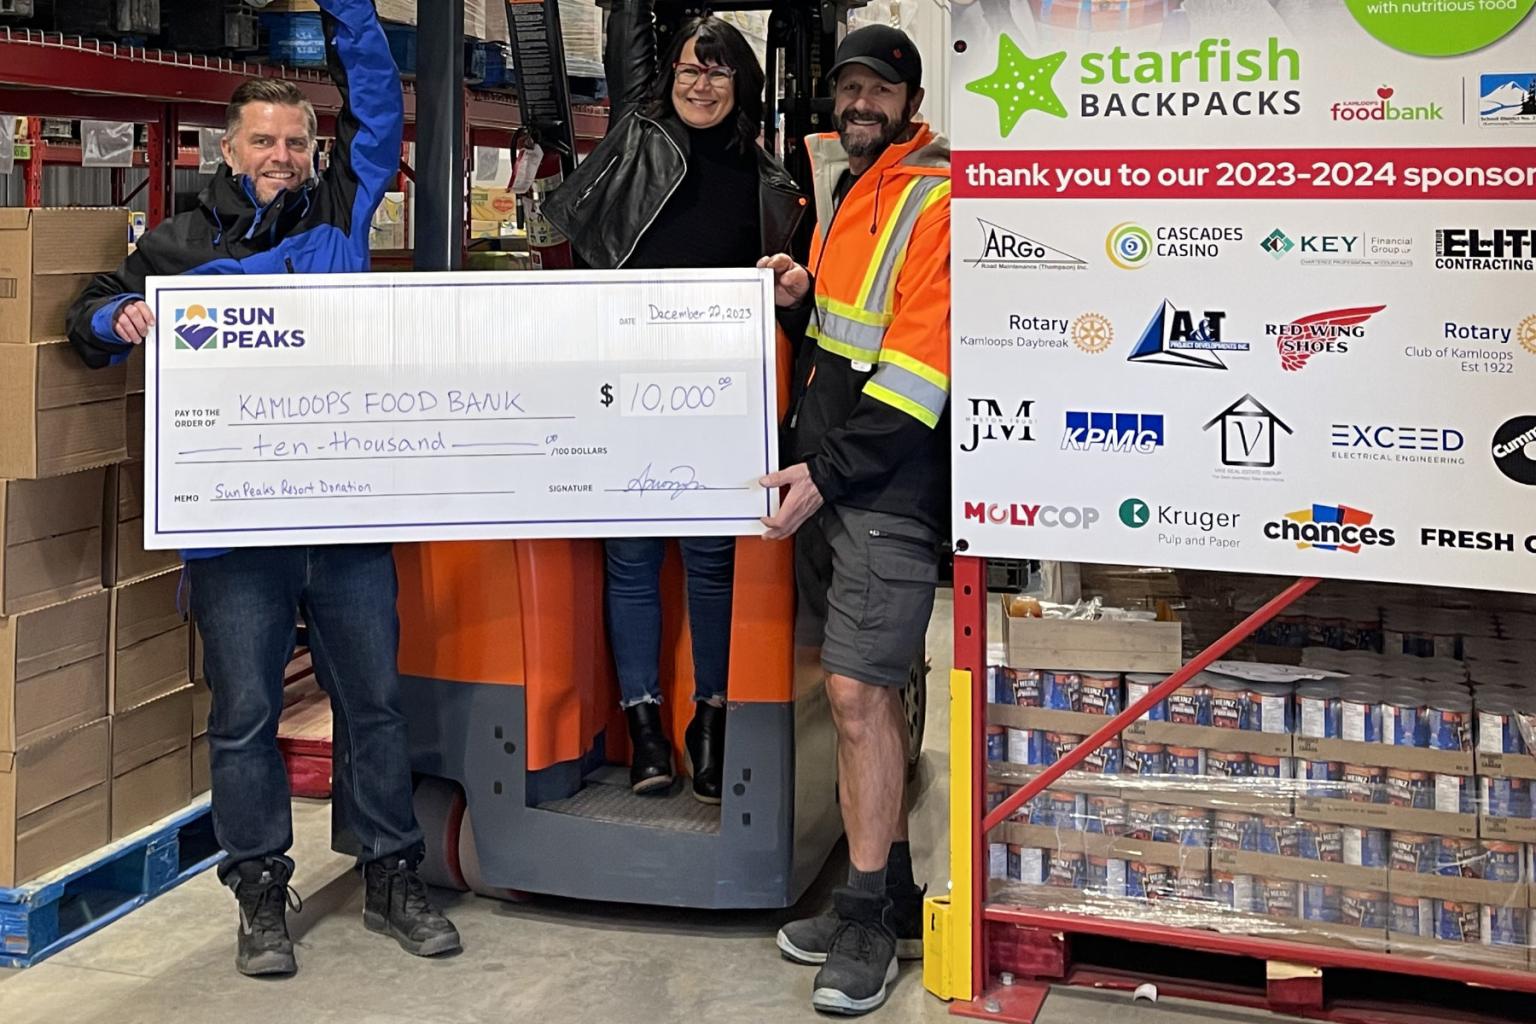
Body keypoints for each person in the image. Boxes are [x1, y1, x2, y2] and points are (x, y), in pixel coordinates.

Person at [65, 0, 459, 979]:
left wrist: (350, 13)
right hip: (238, 532)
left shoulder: (341, 214)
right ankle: (259, 889)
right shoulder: (180, 245)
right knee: (243, 711)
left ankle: (389, 873)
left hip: (344, 515)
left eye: (297, 139)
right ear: (230, 148)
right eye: (265, 139)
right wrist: (119, 319)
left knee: (372, 702)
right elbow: (90, 311)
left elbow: (378, 113)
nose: (283, 152)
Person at [543, 3, 806, 803]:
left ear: (744, 84)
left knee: (710, 561)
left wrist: (787, 292)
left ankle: (711, 719)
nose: (701, 82)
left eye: (718, 69)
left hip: (715, 402)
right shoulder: (636, 141)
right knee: (629, 559)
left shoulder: (774, 186)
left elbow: (797, 302)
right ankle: (646, 724)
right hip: (623, 389)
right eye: (689, 67)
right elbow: (634, 37)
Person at [756, 24, 951, 1016]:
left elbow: (918, 380)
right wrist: (800, 297)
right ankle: (891, 891)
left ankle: (868, 917)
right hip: (842, 483)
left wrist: (824, 474)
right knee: (868, 702)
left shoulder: (938, 194)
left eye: (879, 89)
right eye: (849, 89)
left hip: (884, 493)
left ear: (910, 96)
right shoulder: (854, 185)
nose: (860, 103)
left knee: (859, 697)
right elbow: (848, 332)